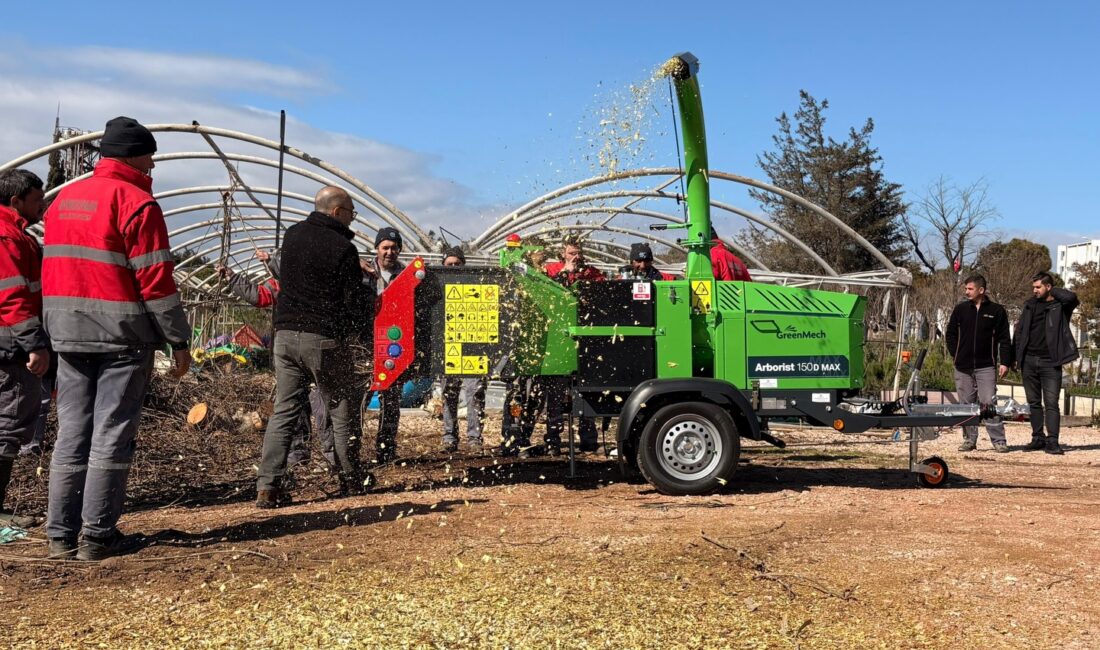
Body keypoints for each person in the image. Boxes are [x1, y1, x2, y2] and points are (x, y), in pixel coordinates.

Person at [43, 117, 191, 561]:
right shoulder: (137, 203)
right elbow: (156, 281)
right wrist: (177, 341)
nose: (152, 164)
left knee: (71, 432)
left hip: (67, 336)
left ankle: (59, 535)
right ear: (132, 156)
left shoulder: (63, 201)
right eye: (149, 155)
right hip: (121, 337)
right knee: (111, 432)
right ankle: (97, 535)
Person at [256, 186, 373, 506]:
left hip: (284, 336)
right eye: (351, 213)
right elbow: (350, 301)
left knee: (284, 411)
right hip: (321, 338)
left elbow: (302, 276)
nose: (353, 220)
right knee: (339, 408)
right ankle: (350, 477)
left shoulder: (292, 235)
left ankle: (268, 486)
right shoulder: (343, 248)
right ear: (337, 212)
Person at [218, 250, 336, 471]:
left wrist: (272, 262)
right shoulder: (279, 285)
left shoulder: (314, 280)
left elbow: (296, 278)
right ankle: (297, 458)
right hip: (289, 352)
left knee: (322, 405)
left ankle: (332, 457)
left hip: (315, 349)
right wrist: (232, 278)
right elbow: (260, 296)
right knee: (294, 406)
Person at [0, 169, 50, 529]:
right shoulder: (8, 237)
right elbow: (14, 297)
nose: (42, 205)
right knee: (7, 425)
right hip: (10, 344)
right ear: (16, 201)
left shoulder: (17, 235)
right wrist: (34, 345)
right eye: (37, 199)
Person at [542, 237, 603, 454]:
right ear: (562, 254)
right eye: (571, 253)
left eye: (578, 253)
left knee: (584, 392)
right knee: (555, 396)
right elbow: (546, 295)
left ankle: (588, 439)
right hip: (558, 342)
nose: (576, 257)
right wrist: (563, 274)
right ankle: (553, 440)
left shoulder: (592, 273)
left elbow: (602, 296)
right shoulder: (551, 271)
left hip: (585, 342)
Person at [945, 274, 1012, 453]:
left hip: (986, 366)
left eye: (970, 289)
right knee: (965, 405)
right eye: (966, 289)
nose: (966, 292)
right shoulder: (960, 310)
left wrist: (1005, 361)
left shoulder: (997, 311)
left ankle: (999, 440)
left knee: (989, 403)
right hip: (962, 366)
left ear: (981, 290)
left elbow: (1005, 338)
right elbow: (950, 335)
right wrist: (956, 354)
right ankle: (969, 440)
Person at [1013, 272, 1079, 455]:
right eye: (1033, 287)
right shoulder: (1029, 305)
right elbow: (1020, 333)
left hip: (1051, 362)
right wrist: (1017, 358)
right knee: (1033, 402)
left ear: (1048, 287)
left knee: (1051, 403)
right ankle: (1037, 438)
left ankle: (1052, 442)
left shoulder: (1060, 306)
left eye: (1038, 287)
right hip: (1029, 361)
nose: (1034, 290)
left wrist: (1052, 289)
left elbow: (1072, 297)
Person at [363, 227, 405, 463]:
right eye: (385, 247)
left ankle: (386, 449)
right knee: (364, 395)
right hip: (368, 341)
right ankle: (353, 447)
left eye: (394, 248)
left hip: (394, 343)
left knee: (391, 400)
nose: (390, 252)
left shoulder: (404, 274)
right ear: (377, 249)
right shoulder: (364, 270)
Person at [438, 247, 486, 453]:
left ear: (464, 265)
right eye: (449, 265)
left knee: (474, 392)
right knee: (449, 392)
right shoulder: (437, 287)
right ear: (443, 266)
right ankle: (449, 437)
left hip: (472, 346)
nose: (453, 268)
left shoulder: (475, 284)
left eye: (457, 264)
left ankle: (474, 438)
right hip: (447, 347)